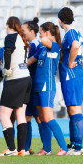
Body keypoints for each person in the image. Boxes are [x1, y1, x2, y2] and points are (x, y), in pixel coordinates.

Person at [27, 21, 68, 156]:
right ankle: (46, 149)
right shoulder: (42, 49)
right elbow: (29, 61)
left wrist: (46, 37)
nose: (39, 35)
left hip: (47, 86)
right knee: (42, 119)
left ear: (46, 32)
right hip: (38, 86)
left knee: (49, 117)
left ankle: (64, 148)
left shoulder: (54, 46)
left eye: (40, 32)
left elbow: (44, 40)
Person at [0, 16, 32, 157]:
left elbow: (8, 51)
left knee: (3, 114)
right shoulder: (22, 38)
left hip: (15, 79)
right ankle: (21, 149)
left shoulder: (11, 36)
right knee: (20, 114)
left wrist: (6, 68)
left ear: (7, 25)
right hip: (26, 78)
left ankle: (11, 149)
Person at [22, 17, 52, 155]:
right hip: (35, 84)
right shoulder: (34, 44)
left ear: (32, 31)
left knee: (29, 116)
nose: (22, 33)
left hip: (31, 85)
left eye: (24, 30)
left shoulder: (34, 45)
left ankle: (27, 147)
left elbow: (30, 64)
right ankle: (46, 147)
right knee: (38, 117)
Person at [58, 7, 83, 155]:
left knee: (75, 109)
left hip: (73, 74)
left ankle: (79, 147)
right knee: (71, 110)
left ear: (60, 20)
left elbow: (75, 45)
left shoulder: (70, 32)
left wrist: (70, 62)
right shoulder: (72, 31)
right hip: (73, 74)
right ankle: (74, 144)